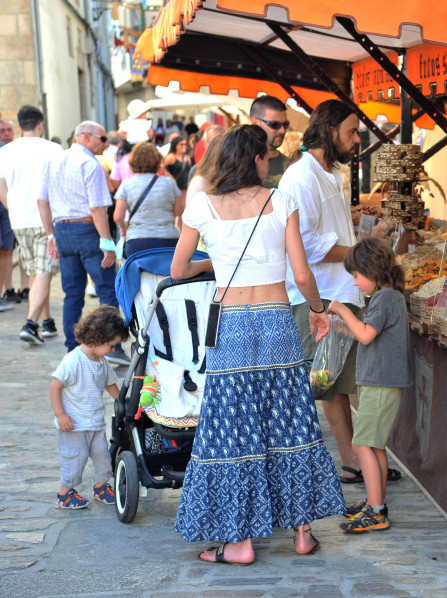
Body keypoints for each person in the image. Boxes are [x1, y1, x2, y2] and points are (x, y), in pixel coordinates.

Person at [171, 124, 345, 565]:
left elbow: (177, 270)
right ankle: (303, 534)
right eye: (266, 156)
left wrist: (220, 257)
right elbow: (302, 275)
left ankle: (240, 542)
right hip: (276, 323)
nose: (270, 162)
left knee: (233, 426)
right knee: (290, 418)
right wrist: (320, 309)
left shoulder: (201, 206)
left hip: (229, 325)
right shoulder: (279, 200)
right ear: (254, 160)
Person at [281, 99, 393, 485]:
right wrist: (364, 253)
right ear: (329, 131)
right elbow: (308, 246)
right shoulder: (300, 177)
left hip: (341, 291)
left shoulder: (328, 173)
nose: (356, 139)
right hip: (322, 298)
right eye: (350, 131)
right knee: (329, 383)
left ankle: (359, 458)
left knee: (343, 381)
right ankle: (351, 460)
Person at [326, 237, 412, 534]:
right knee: (373, 445)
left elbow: (366, 335)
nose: (354, 283)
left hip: (381, 381)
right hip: (379, 380)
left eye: (356, 276)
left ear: (372, 270)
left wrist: (341, 309)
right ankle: (376, 504)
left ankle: (377, 512)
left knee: (363, 443)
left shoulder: (385, 297)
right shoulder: (390, 297)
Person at [37, 121, 129, 365]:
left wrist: (50, 234)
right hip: (87, 228)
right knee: (107, 288)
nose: (106, 144)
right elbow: (97, 208)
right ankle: (114, 347)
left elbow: (42, 201)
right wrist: (107, 243)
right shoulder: (90, 164)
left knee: (72, 293)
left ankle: (72, 348)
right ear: (86, 137)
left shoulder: (53, 160)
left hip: (63, 230)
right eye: (102, 139)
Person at [50, 305, 128, 509]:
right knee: (74, 460)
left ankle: (101, 486)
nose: (113, 350)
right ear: (98, 338)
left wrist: (123, 402)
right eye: (112, 345)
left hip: (95, 423)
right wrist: (60, 415)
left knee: (103, 457)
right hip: (74, 425)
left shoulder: (101, 361)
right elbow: (55, 387)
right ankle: (64, 494)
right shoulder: (73, 361)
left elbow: (110, 384)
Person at [0, 105, 63, 344]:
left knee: (38, 273)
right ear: (41, 125)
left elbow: (1, 189)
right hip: (45, 219)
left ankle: (47, 322)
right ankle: (31, 323)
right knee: (43, 272)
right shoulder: (54, 149)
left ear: (19, 126)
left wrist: (14, 209)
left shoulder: (6, 151)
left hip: (19, 220)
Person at [113, 142, 184, 258]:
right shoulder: (169, 183)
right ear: (158, 161)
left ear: (133, 161)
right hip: (168, 238)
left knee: (138, 273)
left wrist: (124, 228)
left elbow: (118, 216)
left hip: (137, 240)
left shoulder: (127, 184)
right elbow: (179, 212)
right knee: (168, 274)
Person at [249, 95, 290, 188]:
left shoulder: (290, 165)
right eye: (275, 124)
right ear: (255, 123)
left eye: (285, 124)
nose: (282, 130)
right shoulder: (237, 163)